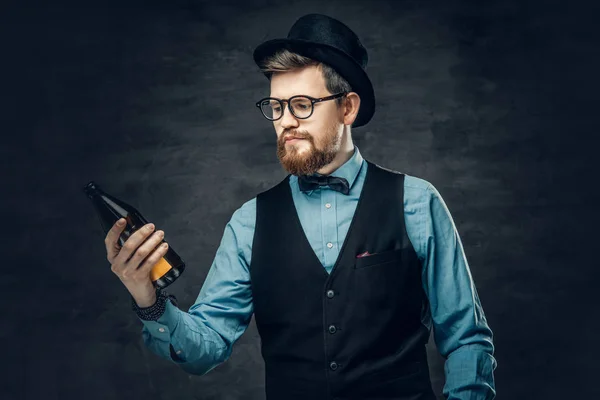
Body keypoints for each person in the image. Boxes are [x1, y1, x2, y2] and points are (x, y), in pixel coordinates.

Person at [105, 13, 497, 400]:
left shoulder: (417, 202)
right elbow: (204, 349)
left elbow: (467, 339)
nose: (285, 122)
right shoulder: (249, 223)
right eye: (276, 107)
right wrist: (148, 298)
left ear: (348, 108)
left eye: (302, 104)